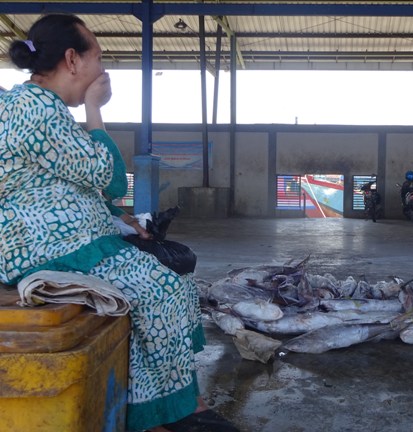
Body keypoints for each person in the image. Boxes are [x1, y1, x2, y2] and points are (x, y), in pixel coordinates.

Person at [0, 14, 236, 432]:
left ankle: (168, 401)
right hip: (45, 247)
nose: (103, 69)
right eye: (99, 56)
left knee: (172, 281)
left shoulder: (31, 105)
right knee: (163, 287)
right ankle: (169, 413)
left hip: (62, 238)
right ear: (72, 60)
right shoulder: (36, 111)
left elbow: (61, 183)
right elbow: (108, 178)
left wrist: (120, 220)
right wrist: (94, 109)